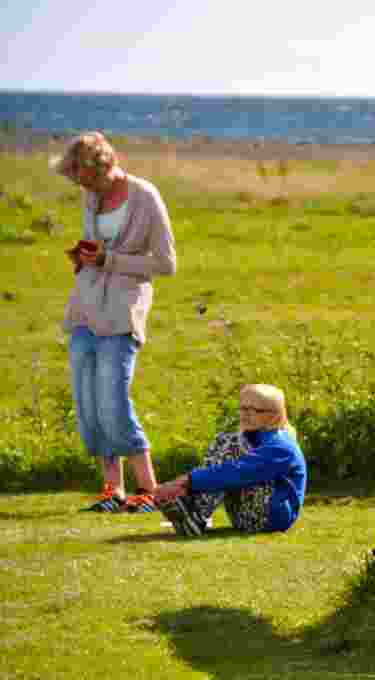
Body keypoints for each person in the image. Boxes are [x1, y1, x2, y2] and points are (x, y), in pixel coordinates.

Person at [52, 131, 177, 513]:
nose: (83, 187)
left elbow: (165, 264)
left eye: (86, 179)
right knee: (89, 405)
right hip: (85, 310)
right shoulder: (91, 197)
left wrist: (109, 260)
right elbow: (97, 246)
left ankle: (150, 491)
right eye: (78, 181)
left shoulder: (145, 197)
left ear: (104, 166)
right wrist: (85, 257)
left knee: (114, 402)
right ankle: (113, 491)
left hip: (122, 314)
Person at [153, 384, 307, 537]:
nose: (246, 414)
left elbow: (239, 472)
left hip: (272, 518)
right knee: (224, 440)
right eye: (243, 408)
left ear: (274, 414)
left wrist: (185, 481)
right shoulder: (251, 438)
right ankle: (192, 510)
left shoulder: (281, 446)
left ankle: (194, 510)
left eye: (255, 410)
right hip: (246, 516)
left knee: (230, 444)